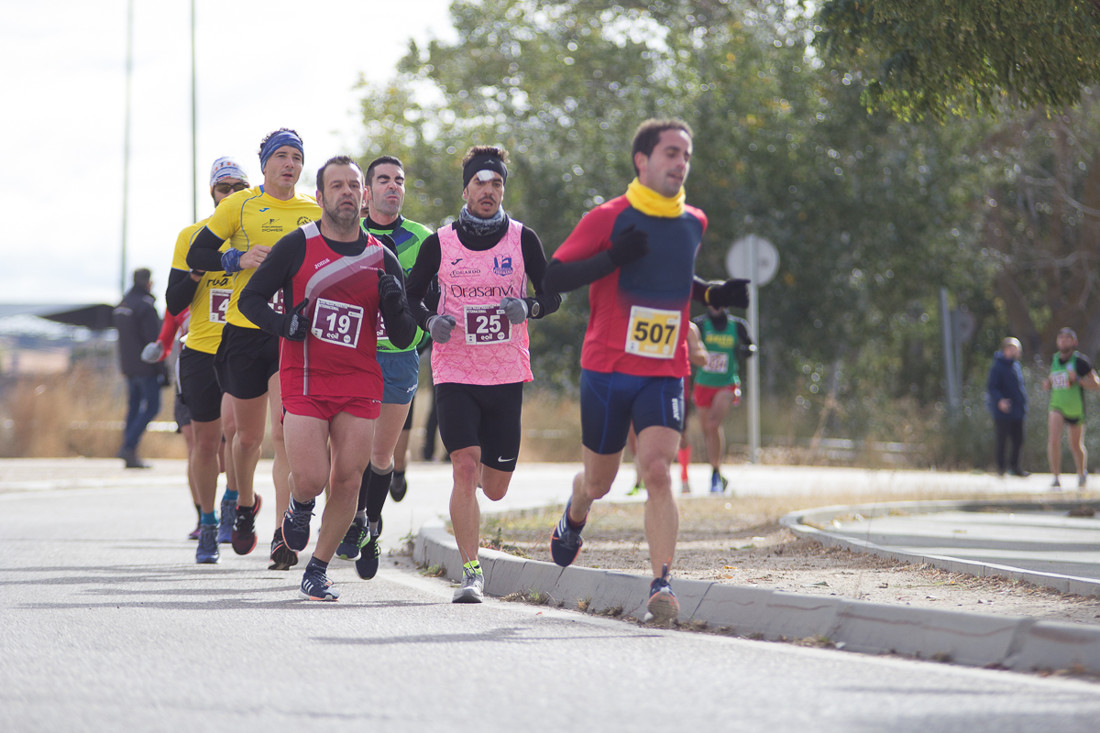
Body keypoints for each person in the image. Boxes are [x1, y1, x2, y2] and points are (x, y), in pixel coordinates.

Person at [542, 118, 749, 624]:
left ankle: (662, 583)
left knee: (657, 471)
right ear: (643, 160)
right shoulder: (608, 217)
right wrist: (612, 257)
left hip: (663, 370)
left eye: (686, 155)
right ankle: (576, 508)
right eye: (671, 153)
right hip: (608, 371)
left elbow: (677, 275)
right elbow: (553, 275)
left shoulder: (693, 222)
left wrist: (711, 293)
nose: (681, 163)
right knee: (600, 482)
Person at [239, 155, 417, 600]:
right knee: (314, 477)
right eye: (336, 186)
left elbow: (402, 334)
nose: (346, 193)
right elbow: (251, 300)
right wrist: (285, 326)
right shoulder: (298, 245)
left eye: (353, 186)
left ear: (365, 196)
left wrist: (397, 305)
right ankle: (300, 506)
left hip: (359, 382)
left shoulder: (383, 258)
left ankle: (317, 568)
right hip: (305, 379)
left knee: (349, 480)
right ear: (319, 196)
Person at [405, 145, 562, 603]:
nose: (489, 191)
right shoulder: (440, 242)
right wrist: (429, 322)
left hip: (506, 372)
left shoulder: (521, 238)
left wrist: (527, 306)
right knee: (463, 466)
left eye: (497, 184)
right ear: (466, 188)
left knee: (493, 487)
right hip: (454, 370)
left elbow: (551, 295)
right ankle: (471, 571)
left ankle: (470, 498)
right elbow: (411, 297)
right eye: (481, 183)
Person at [187, 130, 320, 570]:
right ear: (263, 165)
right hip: (244, 332)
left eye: (296, 157)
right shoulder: (239, 205)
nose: (289, 164)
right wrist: (236, 259)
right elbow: (200, 251)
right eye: (280, 156)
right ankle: (243, 503)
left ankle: (283, 533)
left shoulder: (312, 212)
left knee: (284, 434)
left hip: (291, 334)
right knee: (246, 438)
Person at [335, 156, 434, 576]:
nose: (392, 186)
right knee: (347, 454)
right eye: (383, 180)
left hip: (398, 358)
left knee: (382, 454)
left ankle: (370, 525)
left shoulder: (423, 238)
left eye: (399, 180)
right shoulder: (346, 233)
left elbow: (436, 298)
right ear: (367, 190)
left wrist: (419, 337)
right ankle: (350, 519)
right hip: (351, 358)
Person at [155, 157, 250, 563]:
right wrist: (197, 271)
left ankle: (233, 500)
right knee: (206, 441)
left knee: (240, 434)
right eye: (223, 187)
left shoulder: (254, 235)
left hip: (243, 347)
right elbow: (173, 301)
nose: (230, 194)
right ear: (212, 193)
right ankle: (208, 522)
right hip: (200, 349)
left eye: (238, 187)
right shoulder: (193, 237)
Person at [692, 305, 755, 493]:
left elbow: (751, 345)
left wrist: (747, 350)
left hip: (727, 383)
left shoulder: (738, 325)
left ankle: (715, 474)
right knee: (707, 430)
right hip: (703, 383)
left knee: (713, 425)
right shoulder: (700, 325)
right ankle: (717, 473)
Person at [113, 267, 165, 469]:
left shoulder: (123, 305)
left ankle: (130, 452)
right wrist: (163, 370)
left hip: (128, 366)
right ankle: (128, 446)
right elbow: (154, 342)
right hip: (146, 368)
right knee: (152, 407)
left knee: (133, 408)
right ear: (148, 282)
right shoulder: (145, 306)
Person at [1041, 327, 1099, 489]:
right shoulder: (1053, 360)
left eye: (1067, 338)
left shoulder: (1081, 362)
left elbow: (1096, 384)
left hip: (1076, 408)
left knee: (1075, 445)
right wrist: (1047, 384)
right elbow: (1050, 380)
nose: (1063, 341)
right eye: (1060, 338)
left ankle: (1081, 474)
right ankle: (1055, 478)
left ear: (1074, 342)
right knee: (1053, 439)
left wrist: (1079, 379)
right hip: (1057, 405)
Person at [986, 336, 1029, 478]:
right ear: (1005, 349)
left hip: (1017, 410)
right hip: (1003, 411)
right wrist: (1000, 401)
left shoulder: (1016, 366)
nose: (1016, 352)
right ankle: (1001, 468)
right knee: (1002, 439)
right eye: (1013, 349)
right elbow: (992, 387)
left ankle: (1015, 467)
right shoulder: (997, 366)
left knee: (1018, 439)